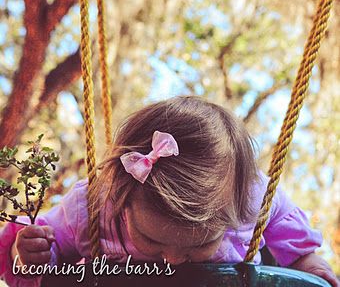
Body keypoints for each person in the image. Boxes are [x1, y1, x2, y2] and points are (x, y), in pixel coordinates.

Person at [0, 96, 338, 286]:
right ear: (122, 199)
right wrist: (32, 253)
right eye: (153, 241)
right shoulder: (90, 208)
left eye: (200, 244)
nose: (173, 259)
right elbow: (51, 245)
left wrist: (305, 259)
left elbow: (281, 218)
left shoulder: (249, 196)